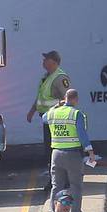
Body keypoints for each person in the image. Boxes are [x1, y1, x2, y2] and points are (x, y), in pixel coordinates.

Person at [43, 89, 95, 212]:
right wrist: (90, 151)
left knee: (56, 186)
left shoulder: (53, 113)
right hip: (72, 155)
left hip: (56, 154)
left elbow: (44, 118)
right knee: (76, 186)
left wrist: (55, 106)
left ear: (64, 98)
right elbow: (82, 133)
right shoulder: (76, 114)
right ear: (75, 99)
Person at [27, 51, 71, 182]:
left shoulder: (59, 78)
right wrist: (32, 111)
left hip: (57, 121)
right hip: (48, 120)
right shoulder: (46, 77)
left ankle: (62, 182)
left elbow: (68, 99)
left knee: (57, 152)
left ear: (53, 62)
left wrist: (56, 111)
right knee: (50, 153)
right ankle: (55, 181)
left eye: (46, 59)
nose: (43, 62)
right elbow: (41, 98)